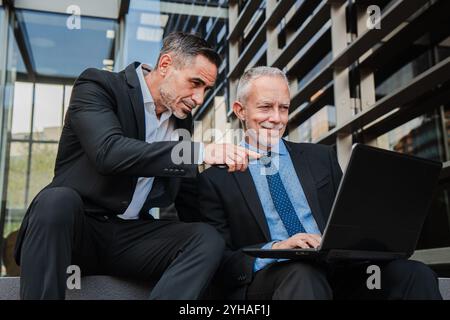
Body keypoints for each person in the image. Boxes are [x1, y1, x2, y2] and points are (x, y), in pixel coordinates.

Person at [14, 32, 259, 300]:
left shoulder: (181, 121)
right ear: (165, 65)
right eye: (195, 83)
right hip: (76, 230)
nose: (199, 98)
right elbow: (109, 152)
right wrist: (201, 151)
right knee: (55, 201)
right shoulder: (98, 85)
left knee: (206, 238)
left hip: (130, 239)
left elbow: (186, 193)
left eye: (206, 89)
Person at [199, 66, 442, 300]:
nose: (276, 118)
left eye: (283, 108)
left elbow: (347, 220)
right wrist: (278, 247)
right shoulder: (214, 180)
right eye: (265, 107)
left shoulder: (320, 158)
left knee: (412, 274)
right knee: (304, 274)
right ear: (240, 110)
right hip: (272, 279)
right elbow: (220, 262)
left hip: (338, 272)